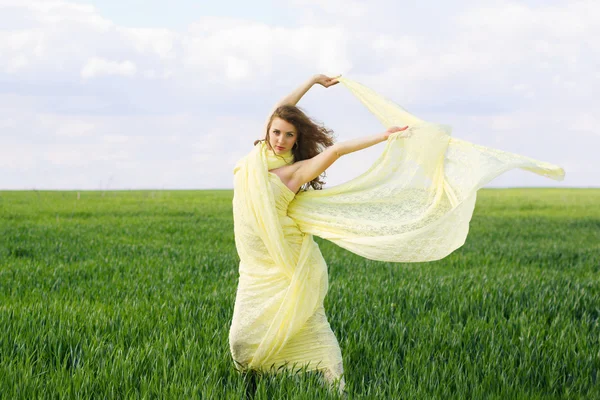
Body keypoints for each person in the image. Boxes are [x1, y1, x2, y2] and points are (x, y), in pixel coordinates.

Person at [228, 74, 565, 398]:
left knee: (307, 319)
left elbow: (337, 151)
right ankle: (251, 384)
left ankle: (335, 385)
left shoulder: (294, 172)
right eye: (277, 132)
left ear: (296, 140)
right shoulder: (257, 160)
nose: (280, 140)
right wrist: (313, 80)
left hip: (286, 257)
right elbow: (283, 106)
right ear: (268, 130)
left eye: (288, 135)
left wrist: (384, 136)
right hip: (255, 262)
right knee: (243, 337)